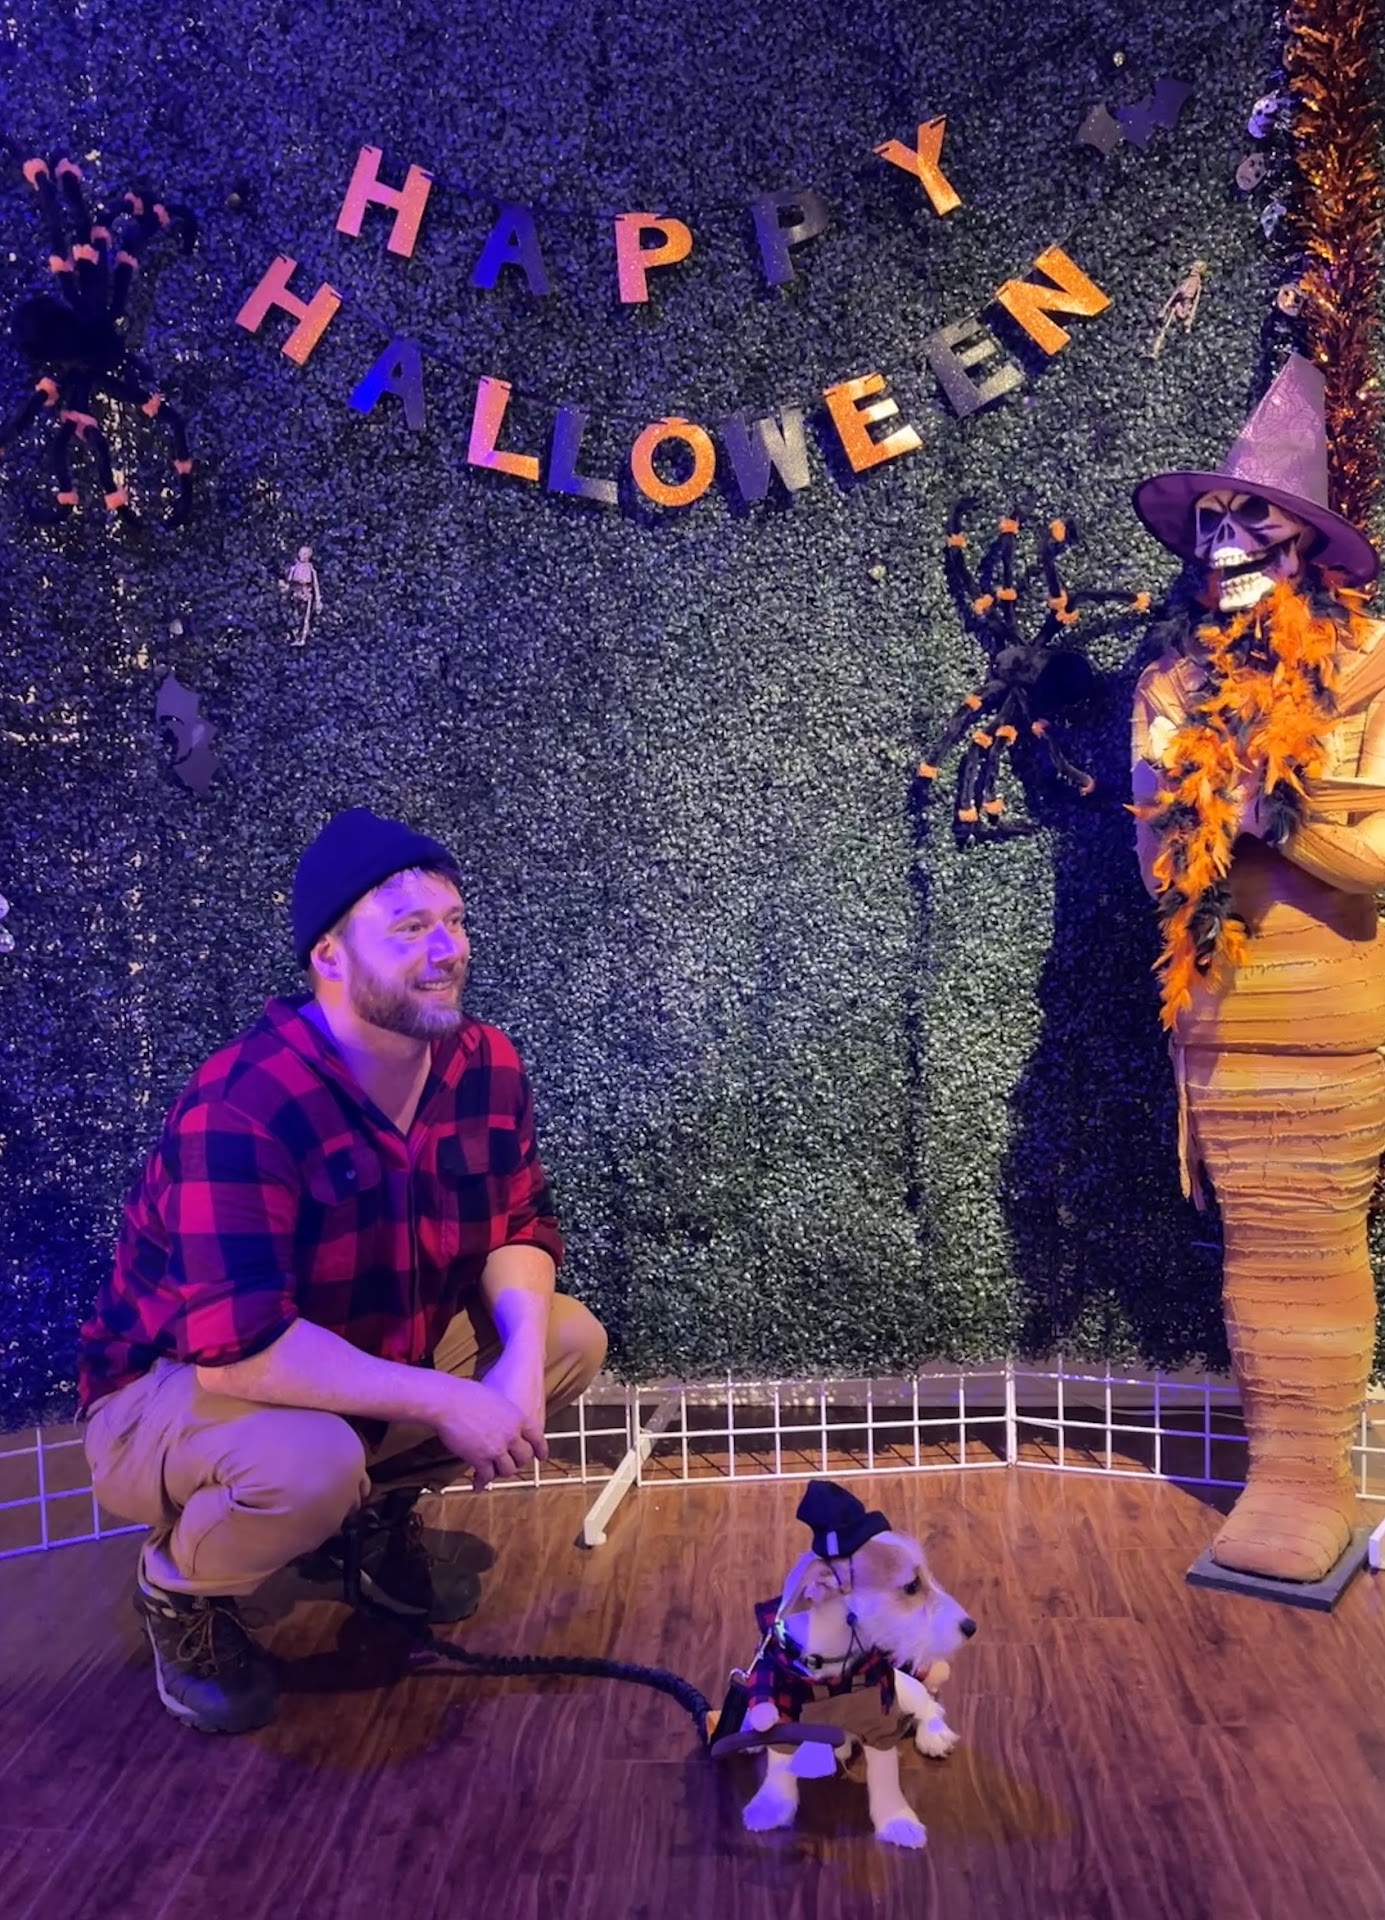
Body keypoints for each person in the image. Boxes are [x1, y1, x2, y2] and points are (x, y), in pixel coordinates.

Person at [78, 807, 607, 1731]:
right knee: (310, 1463)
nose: (447, 949)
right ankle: (180, 1591)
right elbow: (240, 1353)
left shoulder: (484, 1062)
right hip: (166, 1392)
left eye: (454, 921)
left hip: (349, 1360)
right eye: (409, 928)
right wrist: (447, 1401)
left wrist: (518, 1368)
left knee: (565, 1337)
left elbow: (520, 1224)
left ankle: (367, 1523)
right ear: (329, 955)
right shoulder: (244, 1101)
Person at [1130, 354, 1385, 1584]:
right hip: (1222, 1016)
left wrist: (1265, 813)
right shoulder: (1168, 686)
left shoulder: (1370, 664)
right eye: (1207, 525)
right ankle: (1278, 1477)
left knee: (1314, 1234)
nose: (1219, 545)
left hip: (1336, 1013)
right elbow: (1155, 870)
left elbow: (1375, 861)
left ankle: (1312, 1481)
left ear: (1306, 545)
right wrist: (1181, 799)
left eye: (1248, 521)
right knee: (1256, 1239)